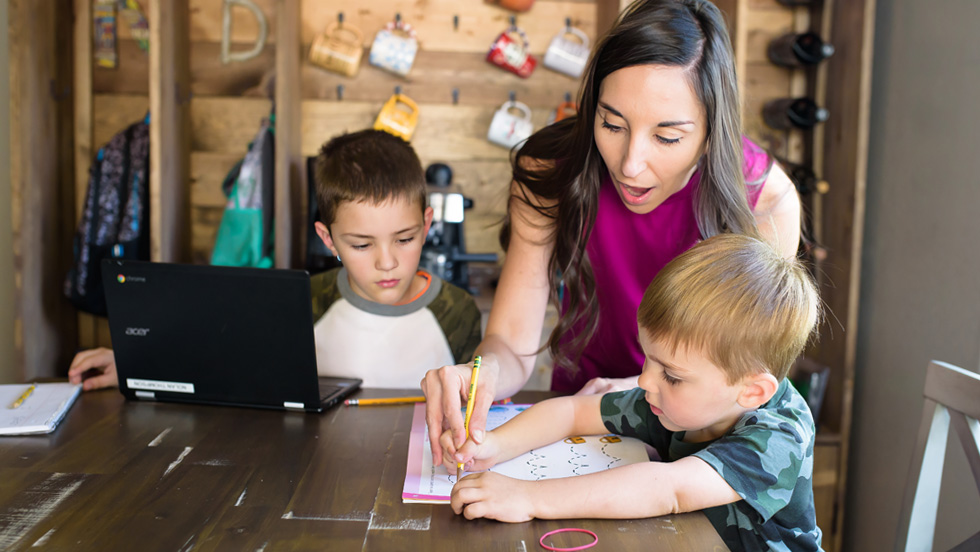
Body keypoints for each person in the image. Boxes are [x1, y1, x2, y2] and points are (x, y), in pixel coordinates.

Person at [422, 0, 803, 466]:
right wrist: (479, 374)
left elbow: (743, 374)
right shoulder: (549, 174)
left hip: (700, 447)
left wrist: (644, 390)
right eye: (612, 124)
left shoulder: (764, 201)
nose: (629, 164)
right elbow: (512, 345)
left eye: (667, 137)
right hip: (575, 422)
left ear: (711, 131)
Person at [440, 234, 823, 552]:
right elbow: (574, 413)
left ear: (752, 391)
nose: (643, 382)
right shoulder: (676, 401)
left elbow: (667, 489)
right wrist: (492, 445)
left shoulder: (777, 438)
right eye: (648, 359)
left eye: (671, 375)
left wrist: (529, 497)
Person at [69, 129, 482, 389]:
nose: (387, 262)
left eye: (405, 239)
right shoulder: (304, 300)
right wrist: (133, 359)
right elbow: (222, 349)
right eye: (361, 245)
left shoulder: (458, 312)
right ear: (328, 238)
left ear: (426, 226)